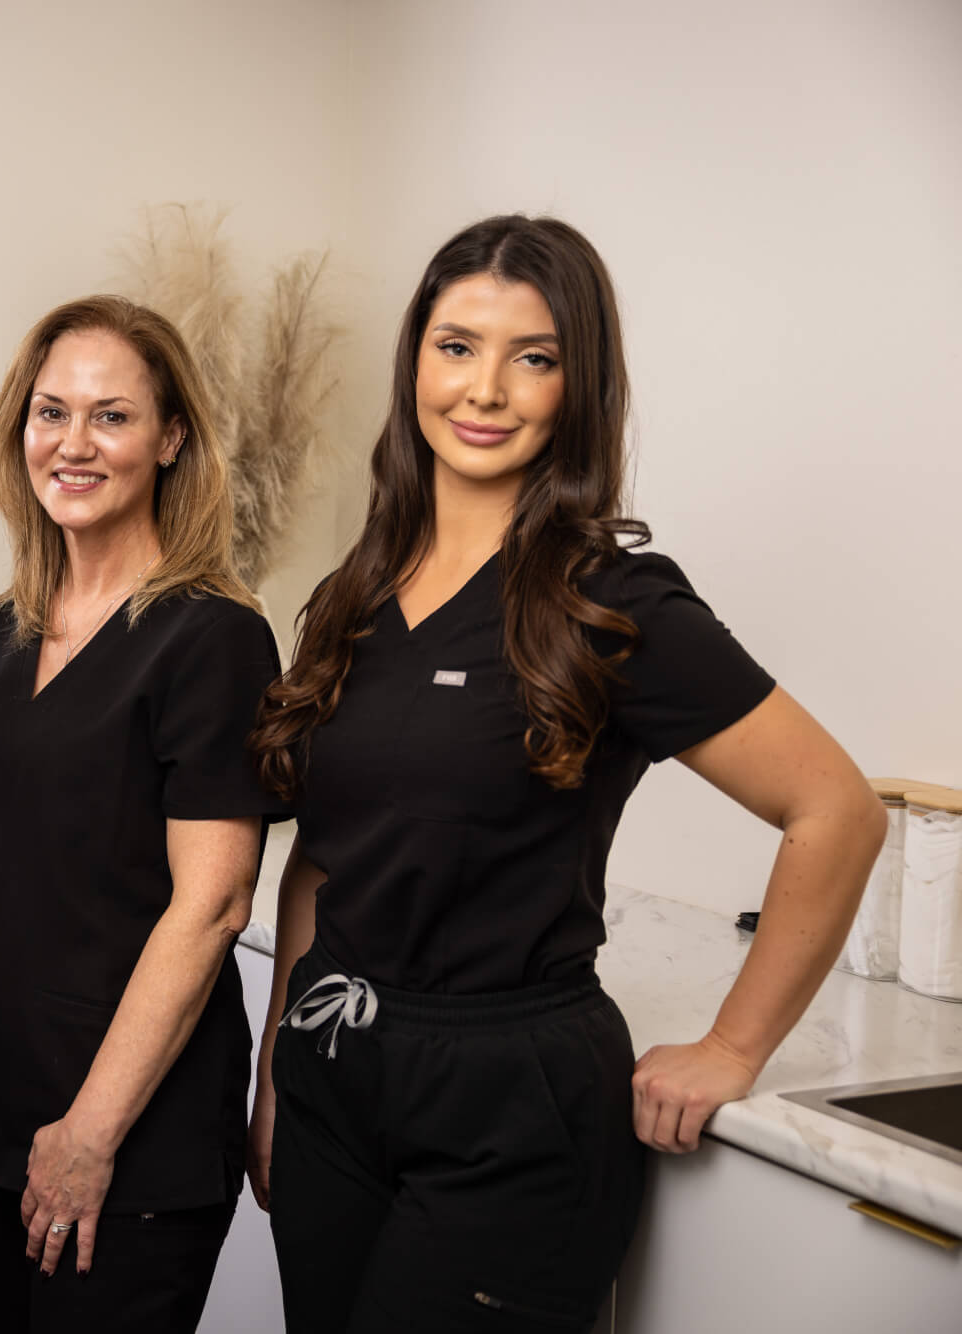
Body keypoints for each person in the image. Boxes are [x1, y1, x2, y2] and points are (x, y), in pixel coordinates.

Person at [246, 215, 885, 1333]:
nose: (484, 388)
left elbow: (835, 809)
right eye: (455, 346)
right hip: (329, 1078)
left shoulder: (610, 600)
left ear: (576, 385)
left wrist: (732, 1046)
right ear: (414, 362)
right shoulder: (357, 590)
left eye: (532, 357)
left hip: (511, 1108)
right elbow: (322, 861)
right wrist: (276, 1073)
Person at [0, 296, 290, 1332]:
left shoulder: (212, 636)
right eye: (51, 412)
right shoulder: (2, 630)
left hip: (128, 1140)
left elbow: (212, 905)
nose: (73, 443)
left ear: (170, 439)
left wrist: (89, 1131)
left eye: (111, 416)